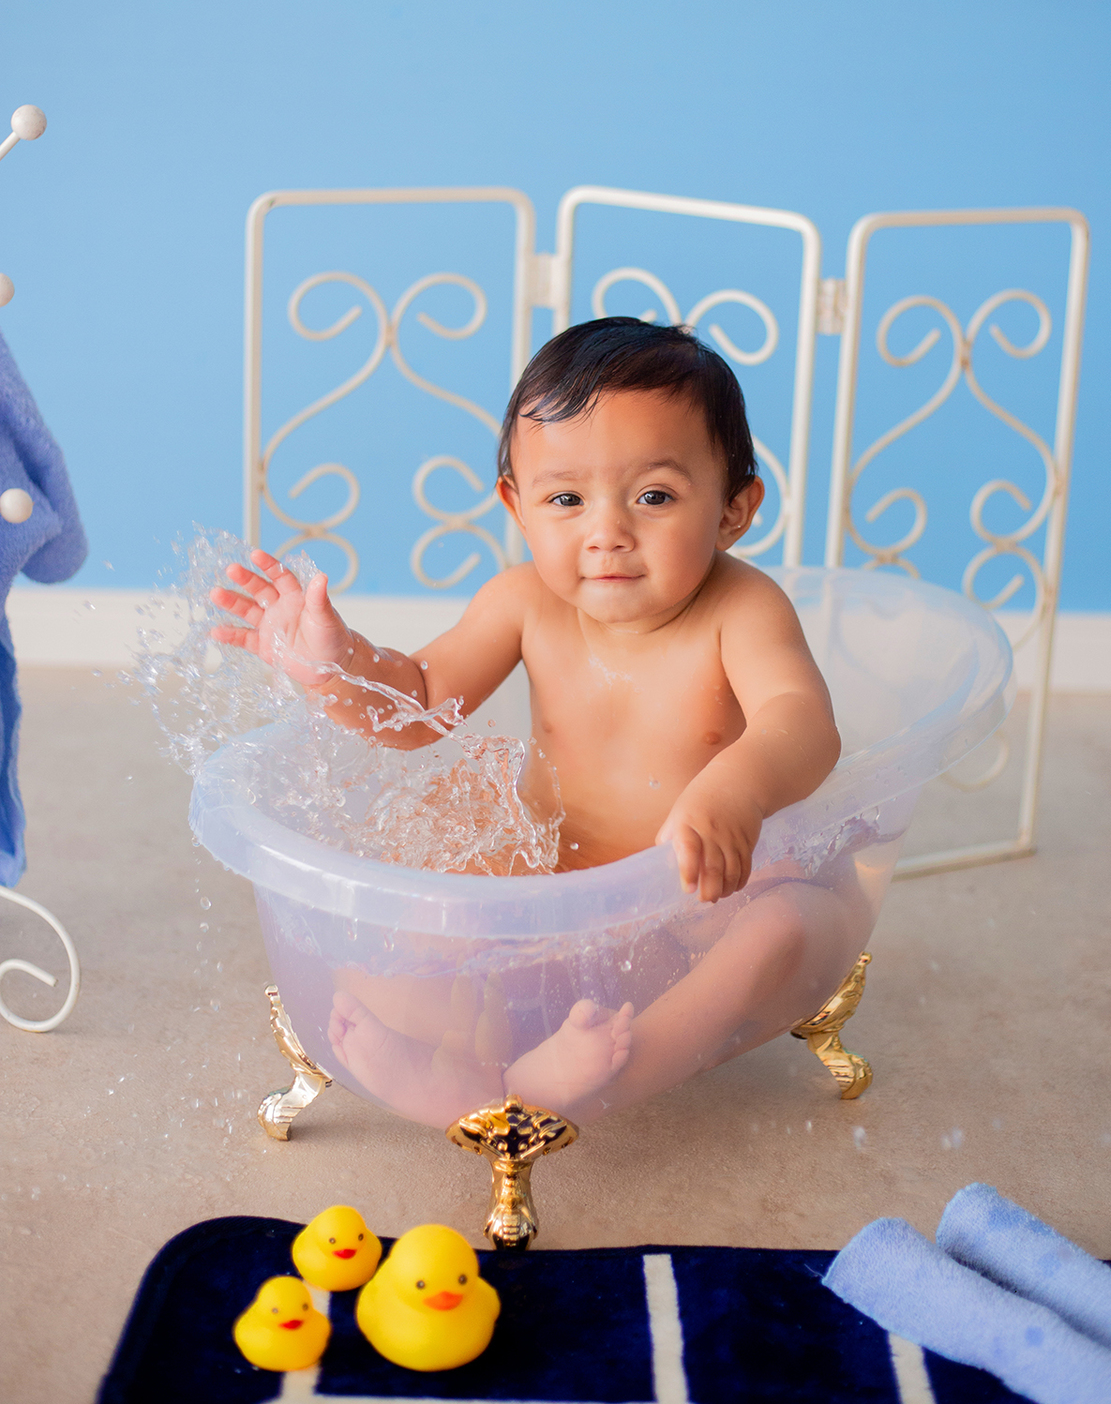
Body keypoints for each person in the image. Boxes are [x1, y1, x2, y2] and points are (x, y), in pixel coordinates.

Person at [212, 319, 855, 1126]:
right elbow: (416, 705)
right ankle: (468, 1073)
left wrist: (736, 790)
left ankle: (580, 1080)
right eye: (566, 499)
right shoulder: (523, 603)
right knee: (406, 905)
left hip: (698, 898)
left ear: (734, 509)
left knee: (792, 924)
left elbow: (804, 720)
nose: (607, 531)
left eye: (654, 496)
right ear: (518, 505)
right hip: (552, 895)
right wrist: (334, 668)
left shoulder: (743, 610)